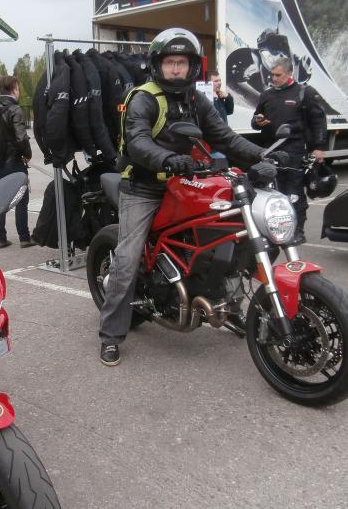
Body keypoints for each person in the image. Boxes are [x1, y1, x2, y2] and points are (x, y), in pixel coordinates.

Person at [98, 28, 274, 366]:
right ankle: (110, 333)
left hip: (187, 181)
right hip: (145, 186)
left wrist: (262, 156)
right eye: (170, 62)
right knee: (127, 258)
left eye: (182, 62)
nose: (176, 69)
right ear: (158, 65)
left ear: (192, 66)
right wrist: (168, 159)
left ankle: (227, 305)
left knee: (229, 234)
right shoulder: (144, 98)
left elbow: (224, 137)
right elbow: (137, 141)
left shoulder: (196, 99)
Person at [253, 58, 328, 244]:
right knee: (272, 193)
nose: (274, 78)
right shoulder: (267, 95)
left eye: (278, 75)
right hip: (270, 151)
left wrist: (318, 147)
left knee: (294, 193)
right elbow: (255, 120)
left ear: (289, 74)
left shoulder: (305, 93)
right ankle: (275, 230)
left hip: (294, 151)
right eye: (272, 75)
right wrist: (258, 121)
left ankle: (298, 231)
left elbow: (318, 121)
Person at [0, 75, 35, 249]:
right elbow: (21, 137)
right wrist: (27, 154)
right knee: (21, 199)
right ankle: (24, 237)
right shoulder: (15, 110)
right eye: (18, 87)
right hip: (14, 162)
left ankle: (1, 238)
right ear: (14, 89)